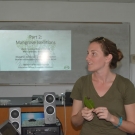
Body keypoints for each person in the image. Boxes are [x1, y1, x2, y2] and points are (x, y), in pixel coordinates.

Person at [70, 37, 135, 135]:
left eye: (93, 53)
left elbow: (133, 128)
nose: (87, 58)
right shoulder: (82, 83)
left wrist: (112, 118)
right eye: (88, 53)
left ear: (108, 58)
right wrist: (81, 114)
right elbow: (75, 123)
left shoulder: (125, 85)